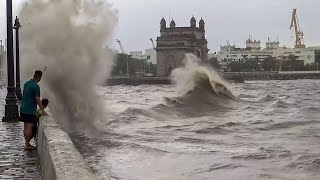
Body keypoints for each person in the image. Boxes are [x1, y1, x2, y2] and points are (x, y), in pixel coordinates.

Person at [20, 70, 48, 150]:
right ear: (40, 77)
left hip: (23, 108)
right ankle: (27, 144)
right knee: (30, 126)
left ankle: (27, 143)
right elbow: (38, 100)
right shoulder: (36, 86)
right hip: (30, 110)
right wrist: (43, 110)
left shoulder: (26, 83)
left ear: (34, 75)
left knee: (25, 126)